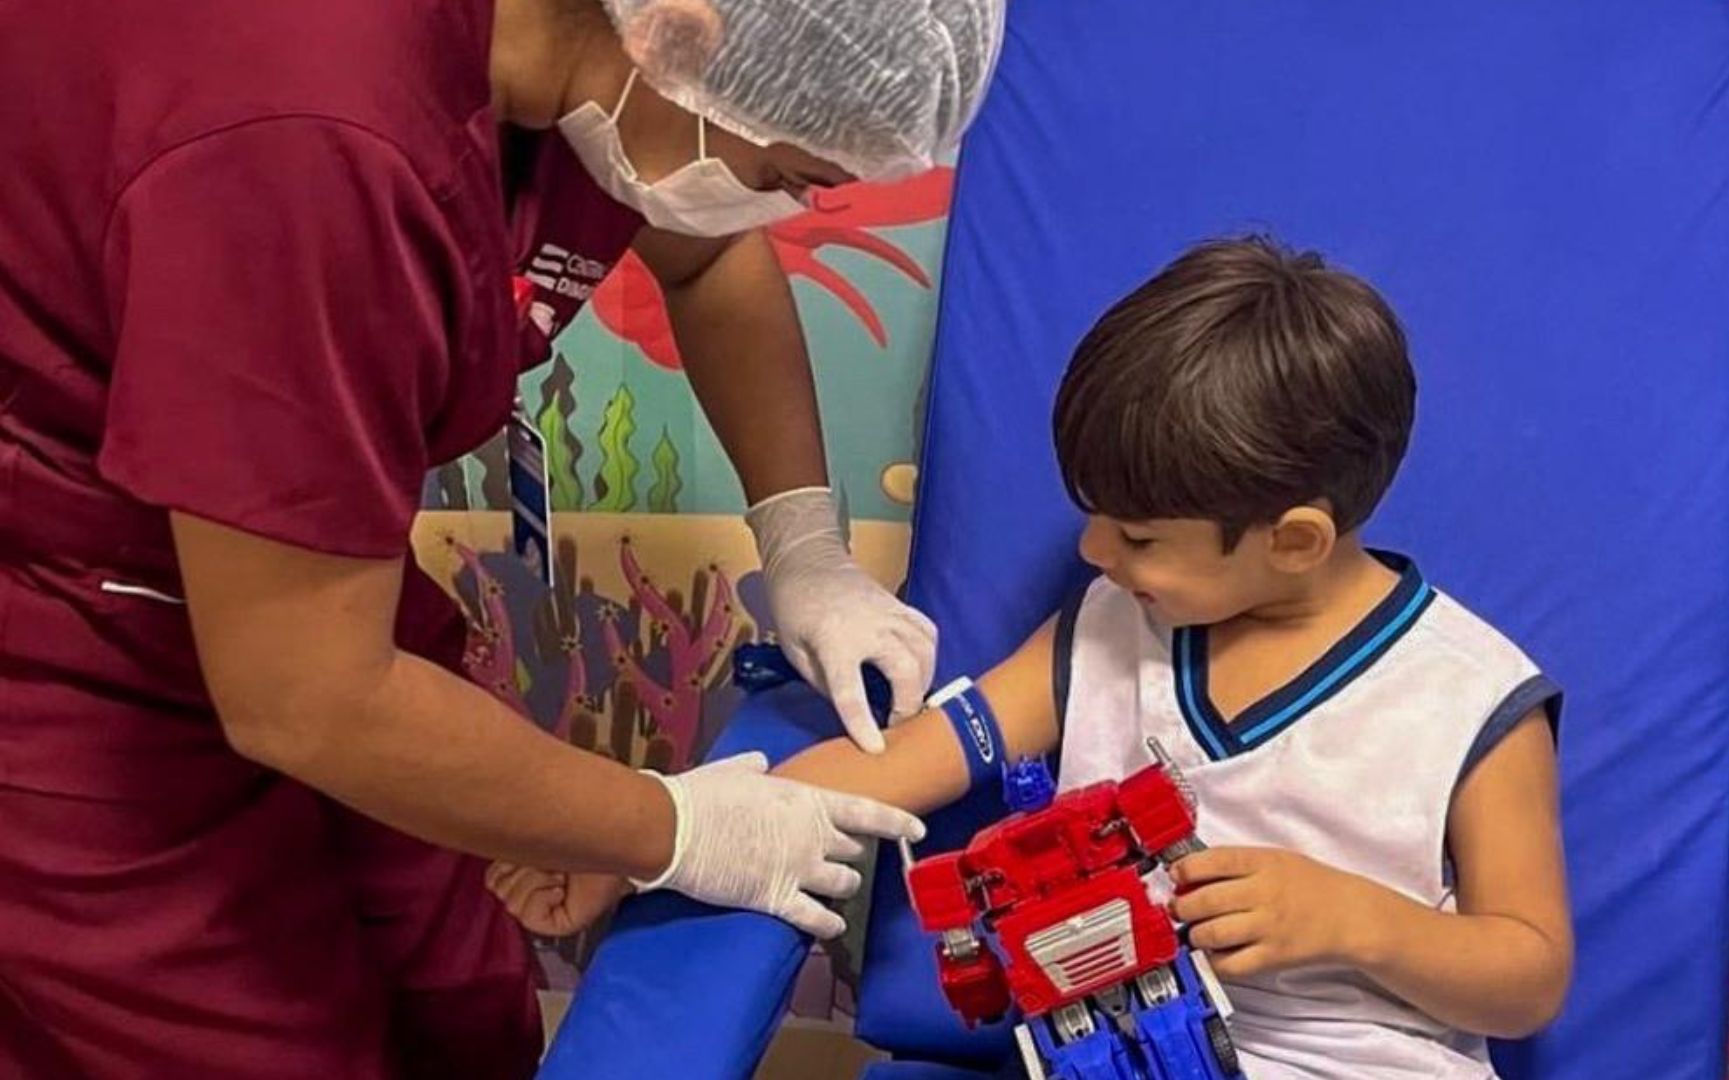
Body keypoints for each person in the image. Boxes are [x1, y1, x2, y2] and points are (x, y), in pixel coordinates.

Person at [0, 0, 1002, 1075]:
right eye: (787, 172)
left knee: (462, 994)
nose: (787, 202)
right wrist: (669, 829)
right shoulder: (311, 140)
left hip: (309, 584)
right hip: (66, 637)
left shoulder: (583, 68)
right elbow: (310, 698)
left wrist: (806, 544)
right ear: (687, 29)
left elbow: (707, 259)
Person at [492, 237, 1574, 1077]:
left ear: (1294, 539)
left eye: (1138, 538)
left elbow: (1527, 974)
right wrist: (643, 834)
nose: (1098, 555)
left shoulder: (1471, 699)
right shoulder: (1111, 631)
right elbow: (894, 767)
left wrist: (1356, 920)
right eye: (1096, 520)